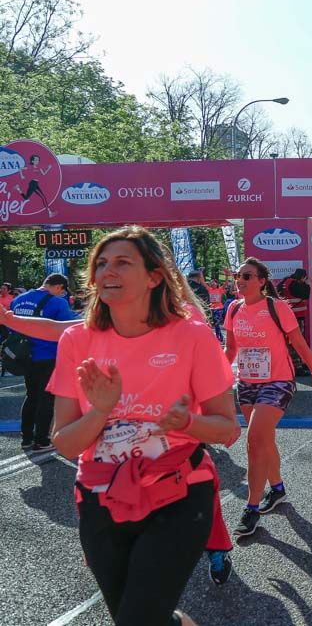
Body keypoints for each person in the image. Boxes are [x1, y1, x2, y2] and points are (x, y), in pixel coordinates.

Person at [47, 226, 240, 625]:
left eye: (122, 262)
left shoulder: (192, 336)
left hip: (178, 492)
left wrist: (187, 422)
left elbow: (227, 429)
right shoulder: (76, 341)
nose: (107, 272)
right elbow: (64, 444)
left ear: (154, 277)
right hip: (102, 497)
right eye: (101, 264)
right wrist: (100, 411)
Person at [225, 257, 312, 538]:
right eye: (238, 275)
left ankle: (252, 507)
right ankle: (278, 488)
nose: (241, 280)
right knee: (264, 440)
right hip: (247, 383)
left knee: (255, 439)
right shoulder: (233, 309)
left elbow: (298, 341)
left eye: (247, 276)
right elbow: (231, 348)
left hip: (278, 381)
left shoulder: (276, 307)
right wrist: (219, 377)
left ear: (261, 281)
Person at [9, 273, 77, 451]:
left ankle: (26, 438)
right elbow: (69, 327)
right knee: (46, 398)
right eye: (62, 291)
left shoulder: (19, 300)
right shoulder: (57, 302)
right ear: (59, 287)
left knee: (31, 395)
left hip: (25, 356)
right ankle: (42, 440)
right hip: (48, 355)